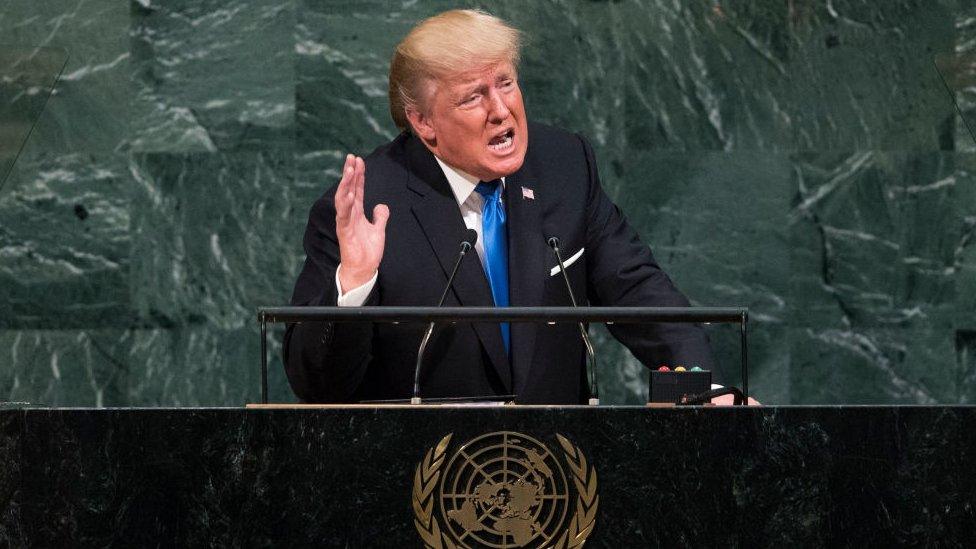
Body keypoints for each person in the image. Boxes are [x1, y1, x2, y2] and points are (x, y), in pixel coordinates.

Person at [283, 9, 715, 404]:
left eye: (506, 83)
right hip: (424, 474)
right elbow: (317, 388)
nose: (501, 110)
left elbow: (638, 289)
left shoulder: (564, 165)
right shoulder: (368, 208)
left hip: (560, 471)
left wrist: (701, 387)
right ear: (424, 123)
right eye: (473, 97)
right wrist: (355, 283)